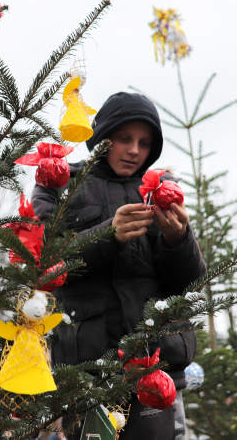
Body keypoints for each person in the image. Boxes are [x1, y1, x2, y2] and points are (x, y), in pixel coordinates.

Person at [31, 92, 206, 440]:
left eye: (145, 143)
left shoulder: (161, 190)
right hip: (88, 362)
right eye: (124, 139)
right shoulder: (62, 182)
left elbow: (188, 283)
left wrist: (177, 240)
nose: (134, 151)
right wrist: (107, 236)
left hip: (156, 362)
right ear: (102, 137)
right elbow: (43, 261)